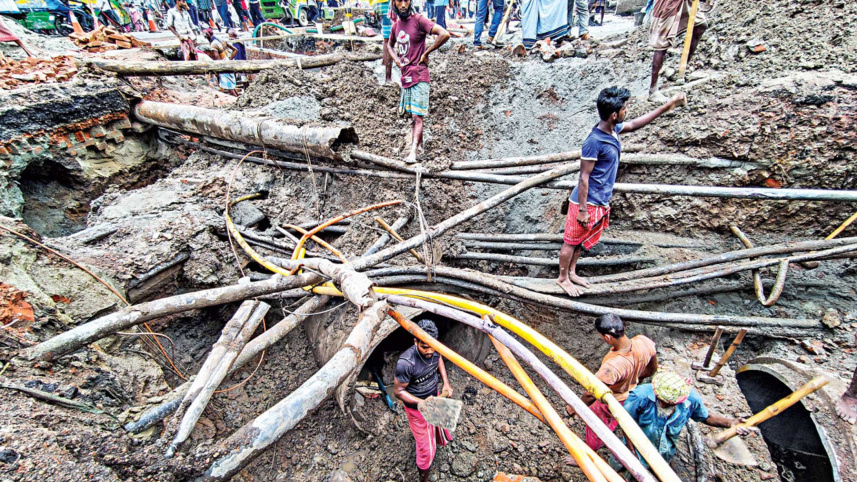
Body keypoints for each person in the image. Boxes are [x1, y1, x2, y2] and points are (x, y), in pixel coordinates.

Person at [556, 86, 686, 297]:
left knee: (579, 240)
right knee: (570, 242)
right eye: (624, 109)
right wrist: (581, 209)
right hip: (586, 202)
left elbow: (635, 125)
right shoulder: (594, 141)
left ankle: (572, 271)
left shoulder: (613, 131)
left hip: (598, 200)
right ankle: (562, 278)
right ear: (614, 115)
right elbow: (583, 177)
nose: (627, 112)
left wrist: (667, 106)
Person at [565, 314, 657, 456]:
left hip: (613, 400)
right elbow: (652, 369)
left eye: (601, 336)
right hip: (631, 394)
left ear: (608, 337)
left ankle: (588, 455)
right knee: (620, 420)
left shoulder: (612, 367)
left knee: (596, 427)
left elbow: (591, 394)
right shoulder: (644, 341)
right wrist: (633, 377)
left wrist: (574, 408)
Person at [623, 370, 750, 467]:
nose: (664, 405)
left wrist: (731, 423)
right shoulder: (639, 396)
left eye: (669, 403)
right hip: (633, 449)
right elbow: (625, 422)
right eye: (662, 401)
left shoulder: (691, 400)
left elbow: (706, 417)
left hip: (663, 453)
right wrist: (631, 452)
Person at [387, 0, 450, 164]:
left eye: (406, 1)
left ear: (410, 2)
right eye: (399, 1)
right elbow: (389, 45)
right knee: (412, 115)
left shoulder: (419, 20)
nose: (402, 5)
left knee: (417, 116)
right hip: (406, 75)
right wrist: (397, 61)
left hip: (420, 74)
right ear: (394, 3)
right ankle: (419, 147)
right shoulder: (396, 26)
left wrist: (426, 52)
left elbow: (444, 33)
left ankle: (413, 152)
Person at [394, 319, 454, 482]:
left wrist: (445, 383)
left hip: (434, 396)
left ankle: (439, 440)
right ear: (415, 341)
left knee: (439, 423)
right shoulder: (406, 363)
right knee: (425, 450)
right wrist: (421, 403)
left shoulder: (434, 349)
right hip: (417, 409)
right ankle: (424, 477)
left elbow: (439, 358)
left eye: (432, 346)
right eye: (424, 347)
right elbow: (398, 391)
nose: (429, 352)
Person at [648, 0, 707, 101]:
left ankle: (681, 70)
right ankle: (653, 90)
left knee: (700, 26)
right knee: (662, 42)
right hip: (669, 3)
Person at [203, 28, 239, 95]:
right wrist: (229, 60)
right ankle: (238, 99)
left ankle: (237, 101)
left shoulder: (213, 44)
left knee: (229, 88)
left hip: (223, 65)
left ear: (208, 35)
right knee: (231, 86)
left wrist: (217, 71)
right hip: (228, 62)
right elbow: (235, 50)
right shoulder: (221, 39)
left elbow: (217, 59)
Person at [371, 0, 394, 82]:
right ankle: (388, 77)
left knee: (386, 39)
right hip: (388, 6)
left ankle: (385, 61)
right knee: (389, 41)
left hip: (379, 5)